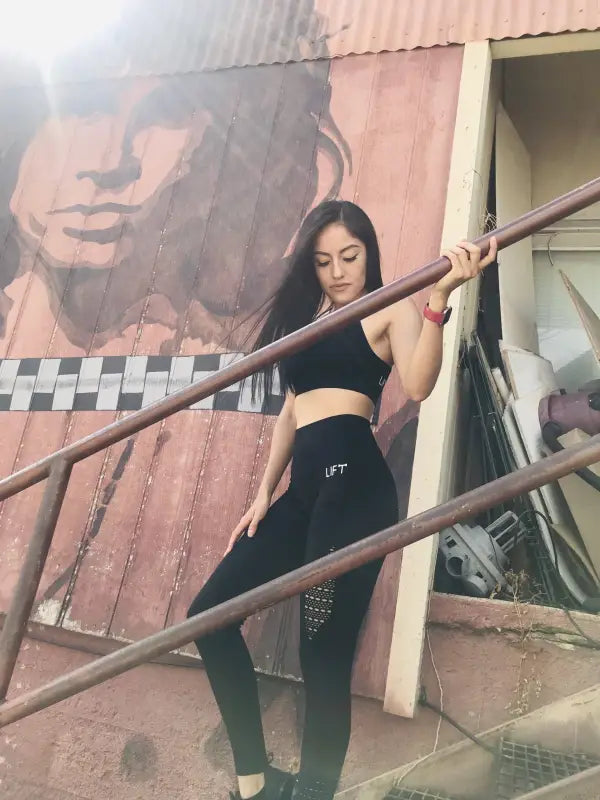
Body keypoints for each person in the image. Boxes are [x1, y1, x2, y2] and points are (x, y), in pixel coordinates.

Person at [187, 200, 498, 800]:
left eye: (349, 256)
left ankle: (315, 791)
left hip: (353, 490)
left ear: (369, 253)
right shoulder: (312, 322)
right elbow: (291, 411)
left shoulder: (390, 309)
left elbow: (417, 383)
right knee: (211, 616)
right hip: (304, 492)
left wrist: (439, 300)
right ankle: (256, 783)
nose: (337, 270)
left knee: (321, 650)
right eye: (324, 260)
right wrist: (261, 495)